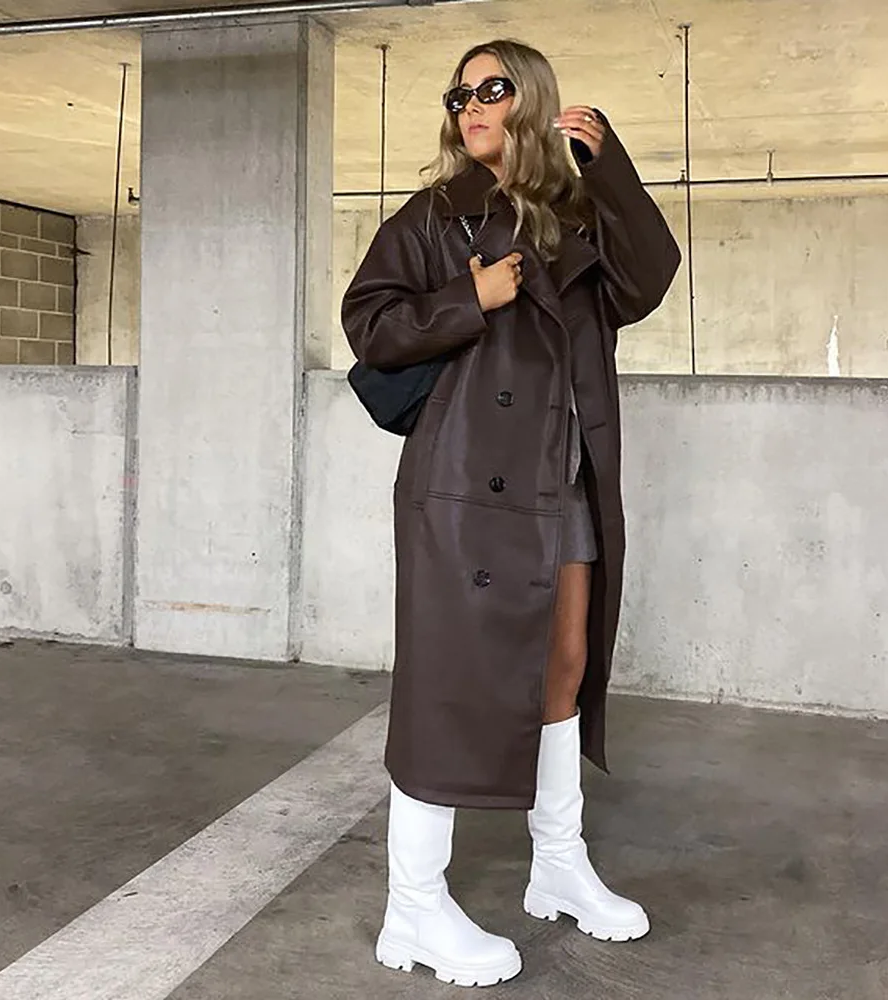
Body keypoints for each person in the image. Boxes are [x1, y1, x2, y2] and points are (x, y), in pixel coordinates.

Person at [342, 38, 681, 988]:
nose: (471, 107)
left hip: (561, 473)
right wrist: (469, 297)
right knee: (444, 687)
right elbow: (368, 322)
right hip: (466, 481)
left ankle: (558, 865)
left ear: (531, 98)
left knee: (564, 665)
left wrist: (609, 169)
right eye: (460, 95)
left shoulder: (577, 210)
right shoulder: (435, 214)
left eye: (491, 89)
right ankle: (413, 907)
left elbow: (646, 281)